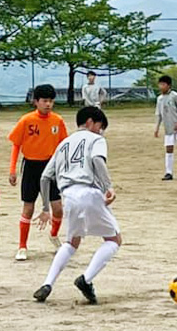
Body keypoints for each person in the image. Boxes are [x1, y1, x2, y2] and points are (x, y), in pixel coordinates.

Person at [32, 106, 120, 305]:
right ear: (90, 122)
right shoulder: (96, 139)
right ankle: (86, 279)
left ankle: (48, 283)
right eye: (100, 127)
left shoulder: (63, 144)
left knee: (72, 242)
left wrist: (46, 207)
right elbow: (97, 159)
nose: (101, 131)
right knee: (114, 239)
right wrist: (108, 186)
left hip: (69, 196)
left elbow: (45, 177)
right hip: (89, 192)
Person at [8, 84, 68, 261]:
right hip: (31, 167)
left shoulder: (57, 121)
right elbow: (16, 145)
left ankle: (54, 234)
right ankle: (22, 246)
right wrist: (12, 170)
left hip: (51, 167)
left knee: (57, 207)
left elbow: (63, 146)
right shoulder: (26, 120)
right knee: (28, 207)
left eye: (51, 101)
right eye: (44, 101)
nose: (48, 104)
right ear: (36, 102)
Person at [154, 75, 177, 180]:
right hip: (168, 128)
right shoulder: (159, 99)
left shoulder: (175, 96)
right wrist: (156, 128)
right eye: (160, 84)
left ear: (168, 85)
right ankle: (168, 172)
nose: (161, 86)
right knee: (169, 149)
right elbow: (158, 114)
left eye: (163, 84)